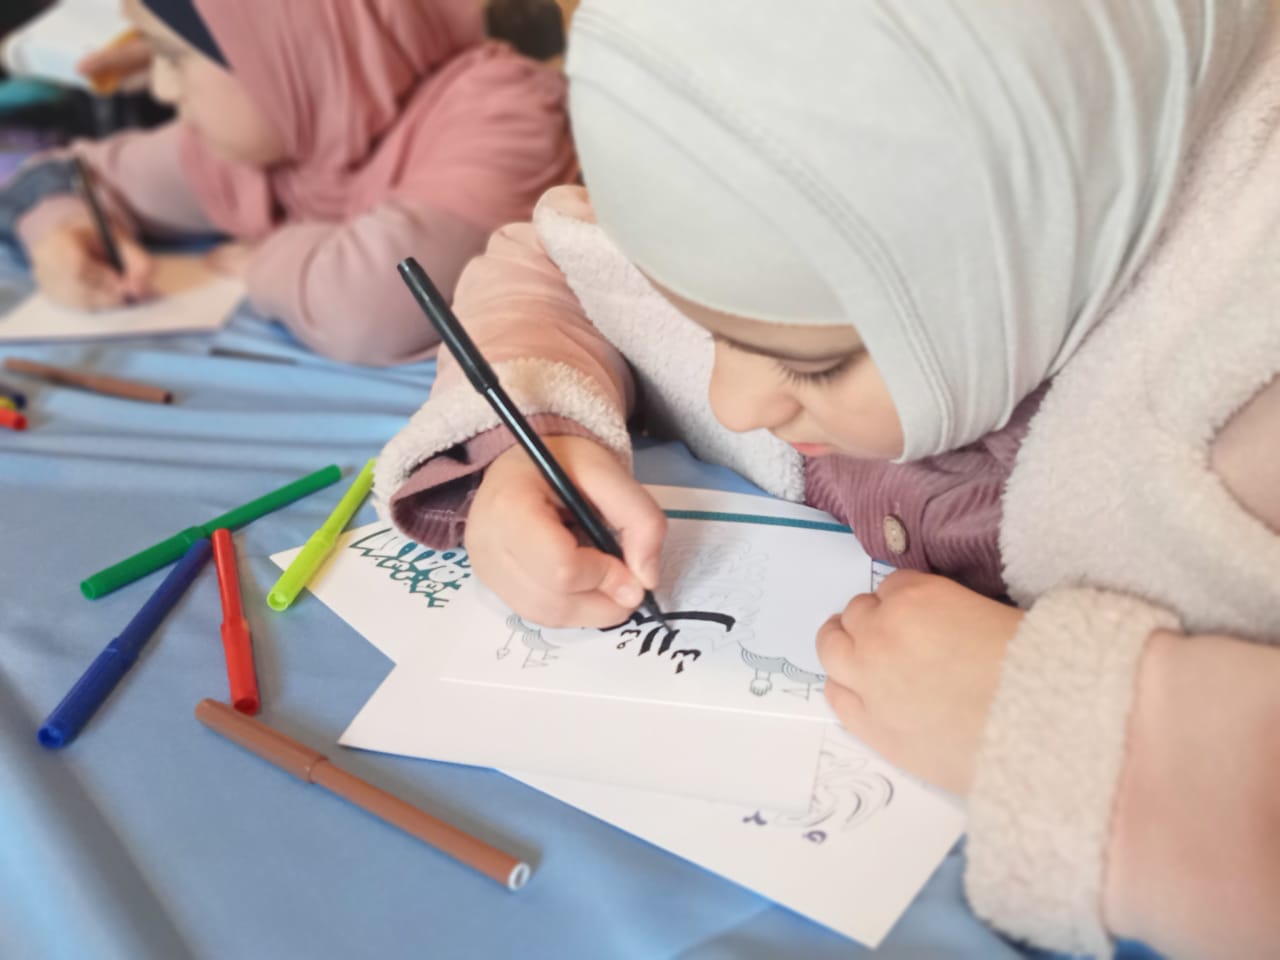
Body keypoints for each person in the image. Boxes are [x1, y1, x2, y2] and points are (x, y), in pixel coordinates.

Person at [376, 1, 1280, 956]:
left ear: (1036, 259)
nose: (731, 402)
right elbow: (555, 265)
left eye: (811, 364)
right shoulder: (766, 178)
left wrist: (1066, 736)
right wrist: (537, 439)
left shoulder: (1242, 413)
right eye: (709, 330)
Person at [0, 0, 577, 363]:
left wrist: (265, 260)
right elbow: (60, 174)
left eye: (174, 57)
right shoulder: (287, 133)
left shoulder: (506, 109)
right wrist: (59, 231)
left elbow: (371, 310)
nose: (161, 89)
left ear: (291, 51)